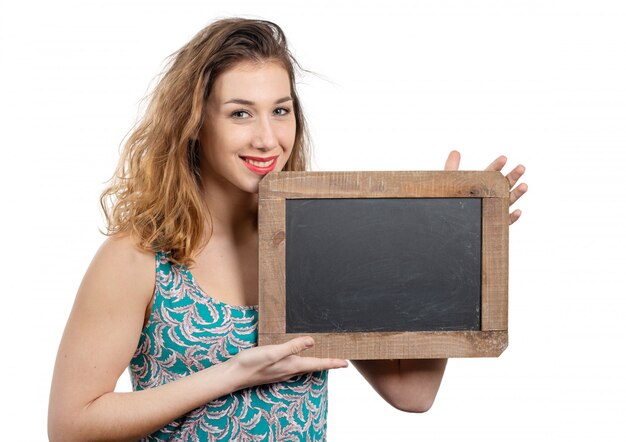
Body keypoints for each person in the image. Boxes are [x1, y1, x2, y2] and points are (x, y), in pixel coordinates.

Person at [48, 17, 527, 441]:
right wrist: (233, 374)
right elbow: (70, 425)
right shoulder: (139, 256)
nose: (267, 137)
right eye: (240, 112)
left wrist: (440, 250)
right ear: (194, 124)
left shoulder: (317, 241)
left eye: (280, 110)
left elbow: (412, 393)